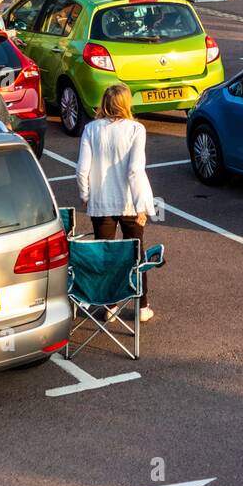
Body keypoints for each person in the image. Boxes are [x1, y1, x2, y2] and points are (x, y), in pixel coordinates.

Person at [75, 83, 158, 322]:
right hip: (130, 203)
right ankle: (142, 306)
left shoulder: (91, 129)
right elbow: (135, 171)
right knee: (136, 254)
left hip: (101, 202)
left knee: (106, 256)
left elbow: (82, 170)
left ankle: (110, 305)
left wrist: (86, 195)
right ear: (126, 104)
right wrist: (141, 205)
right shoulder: (136, 129)